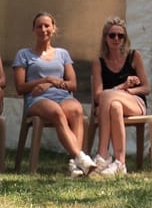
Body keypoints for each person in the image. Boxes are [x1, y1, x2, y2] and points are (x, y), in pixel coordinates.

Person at [13, 11, 96, 178]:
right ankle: (80, 158)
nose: (43, 29)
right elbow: (20, 87)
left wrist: (53, 83)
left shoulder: (62, 54)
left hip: (62, 95)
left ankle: (75, 165)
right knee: (56, 112)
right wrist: (45, 80)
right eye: (39, 26)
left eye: (47, 26)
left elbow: (73, 84)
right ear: (33, 30)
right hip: (37, 99)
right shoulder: (24, 54)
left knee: (77, 111)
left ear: (53, 28)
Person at [91, 16, 151, 177]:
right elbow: (97, 95)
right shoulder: (99, 63)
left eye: (120, 35)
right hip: (111, 104)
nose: (116, 39)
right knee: (114, 104)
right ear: (105, 38)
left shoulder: (134, 56)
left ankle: (102, 154)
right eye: (112, 35)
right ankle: (120, 162)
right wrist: (121, 87)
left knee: (108, 97)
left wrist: (128, 91)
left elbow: (146, 88)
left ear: (125, 38)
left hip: (134, 102)